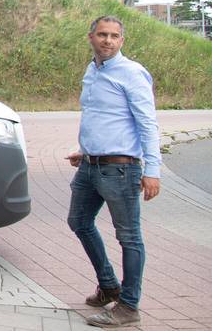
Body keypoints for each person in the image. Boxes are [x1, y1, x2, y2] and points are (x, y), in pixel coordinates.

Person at [65, 16, 161, 327]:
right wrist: (86, 151)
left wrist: (153, 170)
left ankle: (128, 306)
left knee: (129, 237)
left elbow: (147, 123)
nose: (108, 40)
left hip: (121, 169)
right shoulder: (92, 70)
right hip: (90, 166)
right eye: (102, 34)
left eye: (114, 36)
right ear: (91, 37)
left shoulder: (132, 73)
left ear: (122, 40)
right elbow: (100, 116)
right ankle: (108, 286)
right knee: (79, 222)